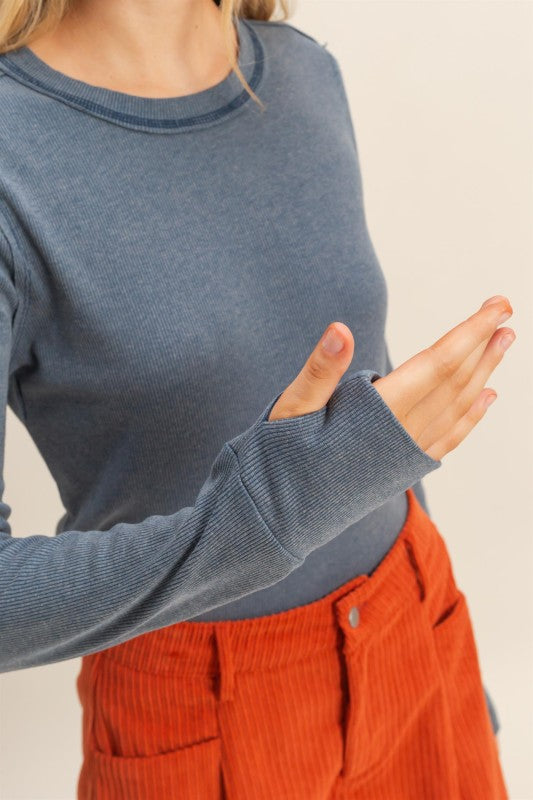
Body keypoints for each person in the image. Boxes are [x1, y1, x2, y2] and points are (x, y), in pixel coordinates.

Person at [0, 0, 512, 796]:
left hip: (416, 626)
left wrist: (450, 674)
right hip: (199, 706)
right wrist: (274, 512)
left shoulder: (302, 70)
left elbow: (358, 439)